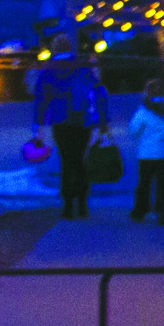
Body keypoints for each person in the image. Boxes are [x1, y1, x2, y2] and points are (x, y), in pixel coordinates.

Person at [31, 35, 109, 219]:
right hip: (82, 119)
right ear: (69, 48)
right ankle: (82, 205)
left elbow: (41, 98)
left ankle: (67, 206)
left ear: (54, 49)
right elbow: (97, 92)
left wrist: (38, 124)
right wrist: (103, 121)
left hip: (60, 120)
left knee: (66, 161)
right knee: (80, 160)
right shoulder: (82, 67)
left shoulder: (49, 70)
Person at [129, 76, 164, 224]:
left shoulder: (143, 111)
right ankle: (162, 213)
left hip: (146, 153)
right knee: (162, 186)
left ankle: (140, 210)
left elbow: (134, 129)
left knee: (144, 184)